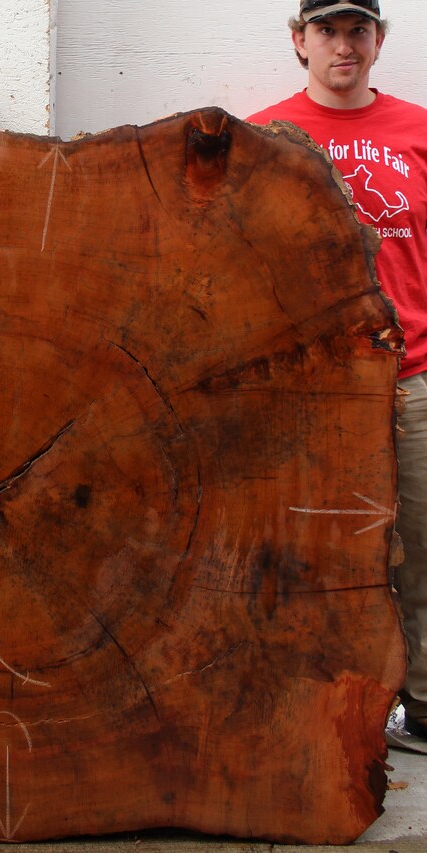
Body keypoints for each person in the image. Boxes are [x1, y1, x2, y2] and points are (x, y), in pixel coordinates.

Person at [247, 0, 427, 740]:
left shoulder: (420, 132)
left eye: (358, 30)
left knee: (420, 547)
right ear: (300, 41)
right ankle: (314, 708)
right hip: (311, 386)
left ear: (379, 39)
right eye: (326, 30)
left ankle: (423, 706)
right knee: (307, 547)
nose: (343, 46)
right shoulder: (263, 137)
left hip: (410, 377)